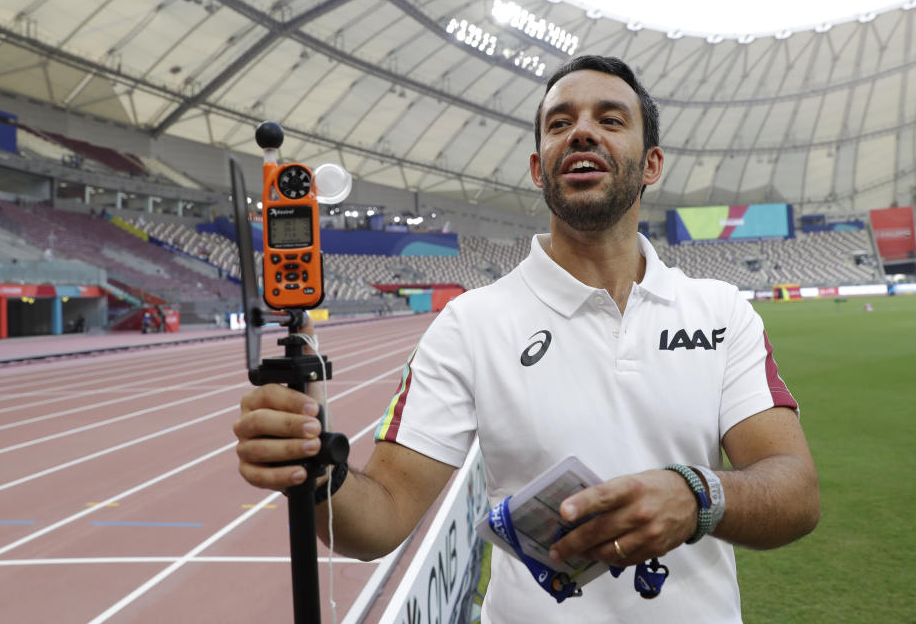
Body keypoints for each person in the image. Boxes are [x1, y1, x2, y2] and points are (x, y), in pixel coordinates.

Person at [232, 55, 819, 623]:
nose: (582, 132)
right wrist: (314, 468)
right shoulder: (469, 325)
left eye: (610, 120)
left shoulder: (721, 311)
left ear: (651, 164)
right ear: (540, 168)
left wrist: (696, 497)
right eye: (560, 123)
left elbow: (794, 491)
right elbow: (380, 517)